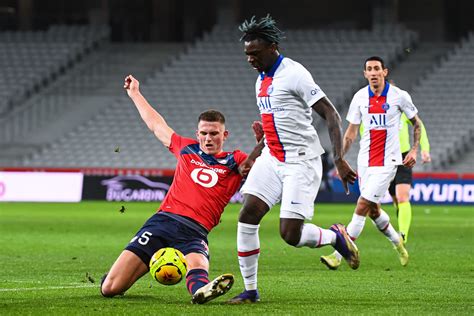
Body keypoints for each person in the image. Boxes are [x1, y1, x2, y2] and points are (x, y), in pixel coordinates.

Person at [228, 15, 358, 304]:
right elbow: (274, 126)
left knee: (290, 234)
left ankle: (335, 237)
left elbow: (331, 114)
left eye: (255, 53)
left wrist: (339, 158)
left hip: (301, 161)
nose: (250, 59)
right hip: (272, 158)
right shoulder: (261, 79)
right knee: (247, 215)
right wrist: (253, 154)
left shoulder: (294, 73)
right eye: (247, 54)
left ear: (272, 47)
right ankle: (250, 290)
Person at [100, 75, 264, 304]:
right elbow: (156, 125)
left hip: (195, 231)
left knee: (197, 264)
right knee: (109, 288)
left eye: (214, 133)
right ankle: (138, 267)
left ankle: (202, 292)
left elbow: (253, 168)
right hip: (162, 222)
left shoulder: (234, 159)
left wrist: (261, 145)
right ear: (197, 134)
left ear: (224, 135)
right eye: (204, 133)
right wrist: (135, 93)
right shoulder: (187, 148)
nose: (208, 138)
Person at [320, 56, 422, 270]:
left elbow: (416, 123)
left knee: (362, 205)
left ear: (384, 72)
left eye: (377, 69)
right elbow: (350, 133)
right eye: (369, 69)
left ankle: (338, 255)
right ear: (365, 74)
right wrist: (340, 158)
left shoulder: (399, 96)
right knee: (373, 211)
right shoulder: (359, 98)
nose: (373, 72)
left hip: (388, 162)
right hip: (365, 161)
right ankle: (398, 244)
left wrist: (414, 149)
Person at [389, 104, 431, 243]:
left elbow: (419, 125)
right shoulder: (380, 114)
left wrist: (424, 149)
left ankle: (402, 236)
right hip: (385, 159)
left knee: (402, 197)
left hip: (403, 157)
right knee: (395, 199)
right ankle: (401, 221)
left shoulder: (403, 111)